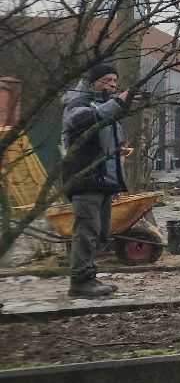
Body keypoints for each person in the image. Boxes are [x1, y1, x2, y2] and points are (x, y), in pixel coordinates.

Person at [61, 62, 133, 299]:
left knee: (100, 233)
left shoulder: (106, 107)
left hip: (102, 181)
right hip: (85, 179)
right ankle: (80, 282)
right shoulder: (78, 104)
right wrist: (120, 101)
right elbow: (85, 120)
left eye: (115, 81)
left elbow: (112, 149)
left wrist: (115, 184)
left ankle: (88, 277)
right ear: (93, 82)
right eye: (108, 80)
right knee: (87, 231)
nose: (112, 85)